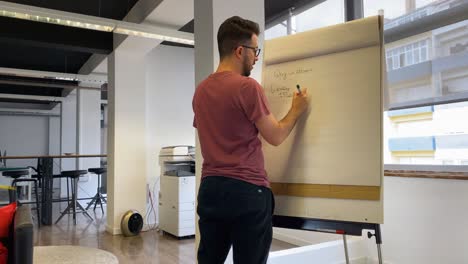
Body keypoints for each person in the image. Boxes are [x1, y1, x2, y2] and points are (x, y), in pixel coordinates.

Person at [192, 16, 309, 264]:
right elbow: (275, 136)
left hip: (210, 189)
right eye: (255, 51)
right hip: (247, 191)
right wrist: (296, 110)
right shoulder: (247, 87)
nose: (256, 57)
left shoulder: (201, 91)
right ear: (239, 51)